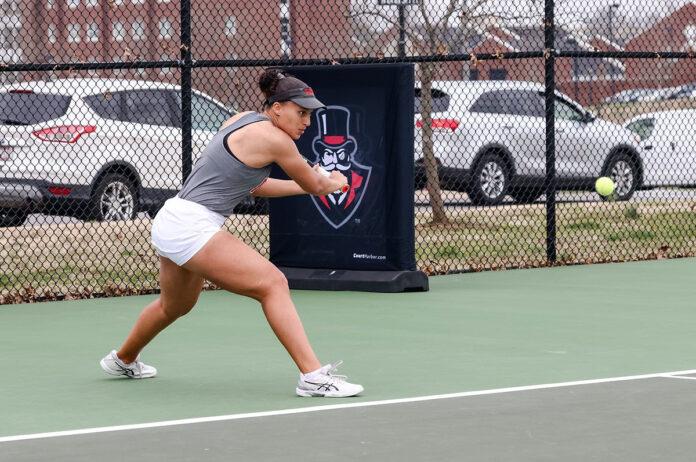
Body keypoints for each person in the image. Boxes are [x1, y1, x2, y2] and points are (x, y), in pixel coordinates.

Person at [100, 69, 364, 398]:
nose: (307, 122)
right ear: (278, 107)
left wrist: (309, 185)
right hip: (192, 225)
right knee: (273, 284)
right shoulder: (276, 139)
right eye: (302, 113)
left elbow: (256, 184)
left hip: (173, 217)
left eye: (310, 114)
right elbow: (317, 185)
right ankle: (313, 377)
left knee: (175, 306)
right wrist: (335, 181)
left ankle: (123, 360)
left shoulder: (241, 119)